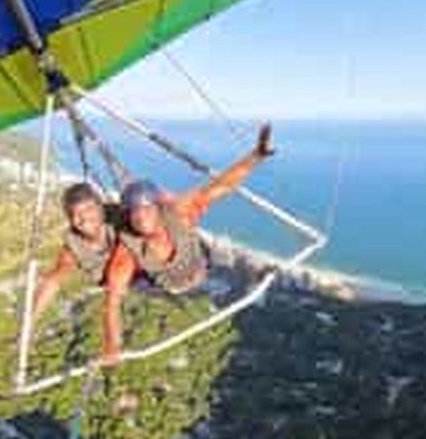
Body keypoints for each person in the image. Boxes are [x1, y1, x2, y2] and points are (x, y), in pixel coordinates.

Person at [100, 124, 276, 365]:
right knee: (126, 280)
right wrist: (112, 344)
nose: (141, 217)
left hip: (201, 266)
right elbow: (112, 302)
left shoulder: (180, 213)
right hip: (167, 286)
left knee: (223, 263)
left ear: (158, 208)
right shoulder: (126, 253)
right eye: (134, 212)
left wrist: (256, 156)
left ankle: (249, 273)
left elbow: (222, 186)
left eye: (146, 209)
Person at [31, 181, 121, 330]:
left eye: (88, 209)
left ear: (100, 208)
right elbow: (53, 280)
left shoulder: (119, 219)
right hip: (119, 284)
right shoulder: (75, 244)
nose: (84, 218)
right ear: (70, 220)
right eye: (76, 214)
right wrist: (30, 322)